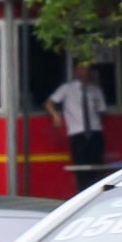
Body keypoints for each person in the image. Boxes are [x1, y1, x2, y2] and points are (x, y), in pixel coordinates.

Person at [46, 57, 112, 191]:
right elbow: (49, 103)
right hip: (77, 133)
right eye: (81, 69)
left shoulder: (95, 90)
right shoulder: (67, 88)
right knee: (81, 167)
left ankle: (97, 192)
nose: (84, 72)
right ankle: (82, 192)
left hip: (95, 131)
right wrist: (56, 115)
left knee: (97, 166)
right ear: (76, 71)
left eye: (87, 69)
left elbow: (102, 111)